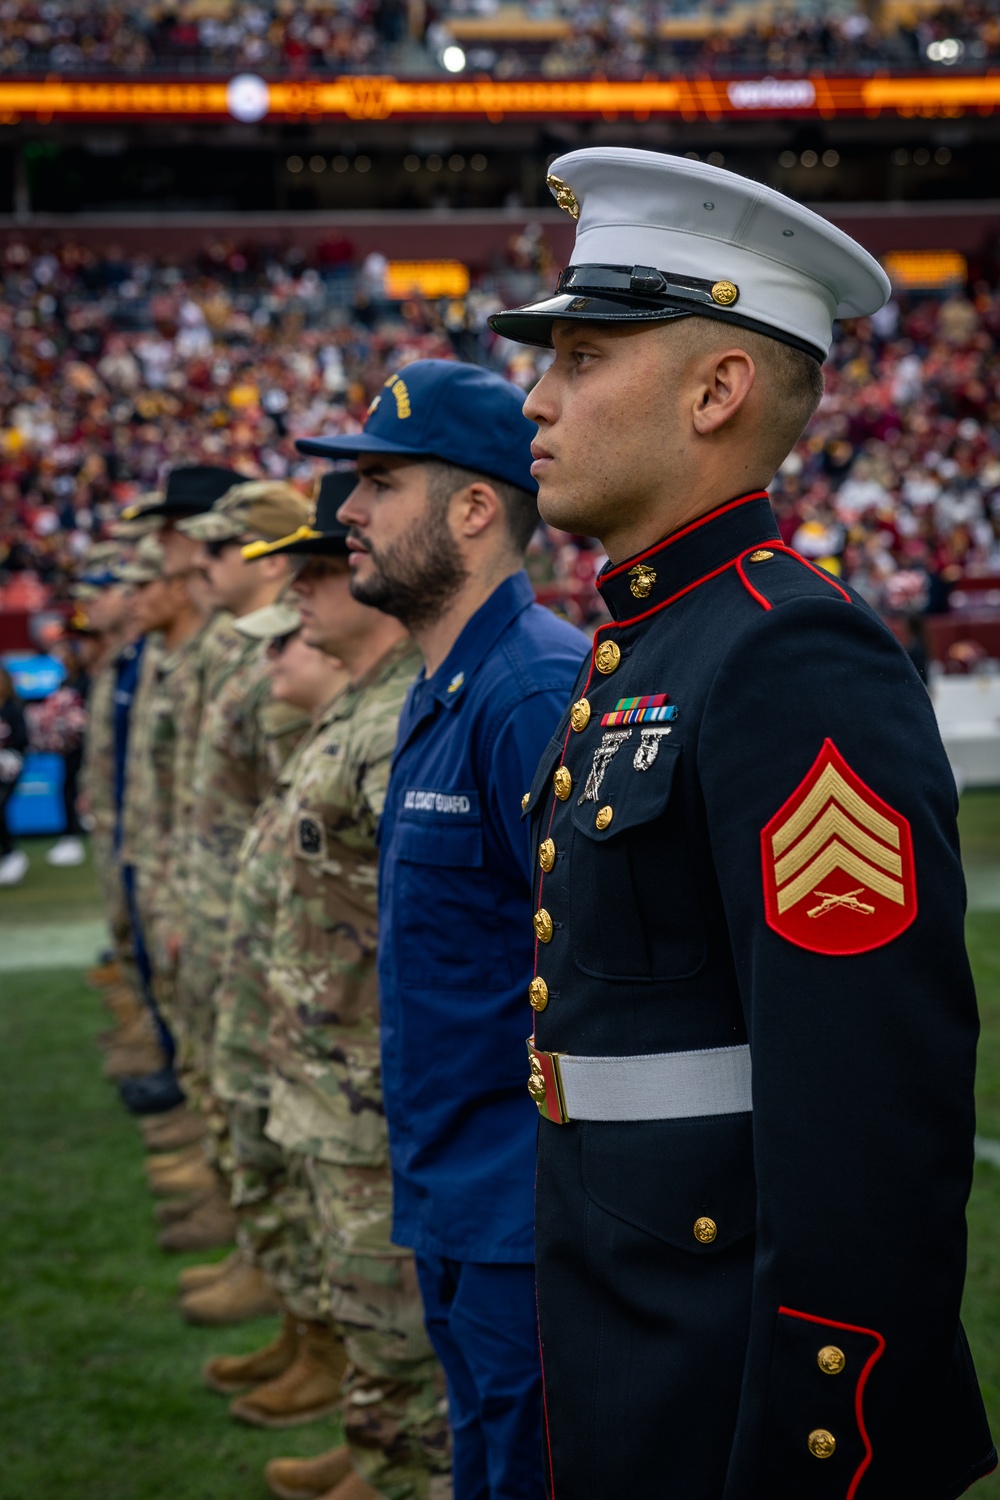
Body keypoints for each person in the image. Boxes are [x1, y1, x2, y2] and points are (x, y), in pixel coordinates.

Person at [487, 146, 996, 1497]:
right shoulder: (651, 647)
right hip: (631, 1338)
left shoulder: (788, 658)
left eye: (583, 358)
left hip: (734, 1406)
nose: (535, 396)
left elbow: (869, 1111)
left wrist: (818, 1454)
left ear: (718, 390)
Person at [303, 360, 590, 1500]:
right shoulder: (451, 689)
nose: (346, 516)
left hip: (529, 1223)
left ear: (475, 507)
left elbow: (603, 988)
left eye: (376, 483)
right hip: (458, 1202)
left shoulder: (532, 695)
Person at [211, 486, 450, 1500]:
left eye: (318, 571)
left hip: (371, 1089)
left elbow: (432, 937)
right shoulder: (359, 704)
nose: (300, 592)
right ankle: (377, 1453)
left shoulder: (397, 716)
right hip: (328, 1072)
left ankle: (399, 1467)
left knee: (397, 1322)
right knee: (367, 1309)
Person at [0, 664, 29, 887]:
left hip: (10, 766)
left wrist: (10, 756)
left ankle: (11, 853)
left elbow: (22, 740)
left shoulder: (14, 708)